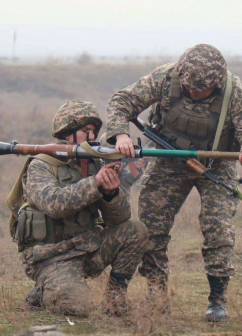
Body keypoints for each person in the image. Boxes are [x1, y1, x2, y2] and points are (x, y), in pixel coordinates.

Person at [105, 44, 242, 321]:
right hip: (168, 159)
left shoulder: (237, 93)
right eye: (187, 87)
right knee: (151, 229)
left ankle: (218, 301)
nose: (191, 93)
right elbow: (121, 101)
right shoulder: (165, 77)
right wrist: (120, 135)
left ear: (216, 85)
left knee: (218, 228)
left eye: (198, 91)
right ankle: (156, 298)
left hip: (216, 163)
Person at [18, 100, 148, 317]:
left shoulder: (94, 164)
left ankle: (115, 301)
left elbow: (121, 218)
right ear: (67, 133)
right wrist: (94, 183)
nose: (92, 137)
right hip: (51, 257)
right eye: (86, 131)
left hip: (87, 249)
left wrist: (110, 193)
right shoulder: (41, 165)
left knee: (135, 230)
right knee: (75, 308)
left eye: (94, 132)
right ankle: (43, 290)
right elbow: (54, 204)